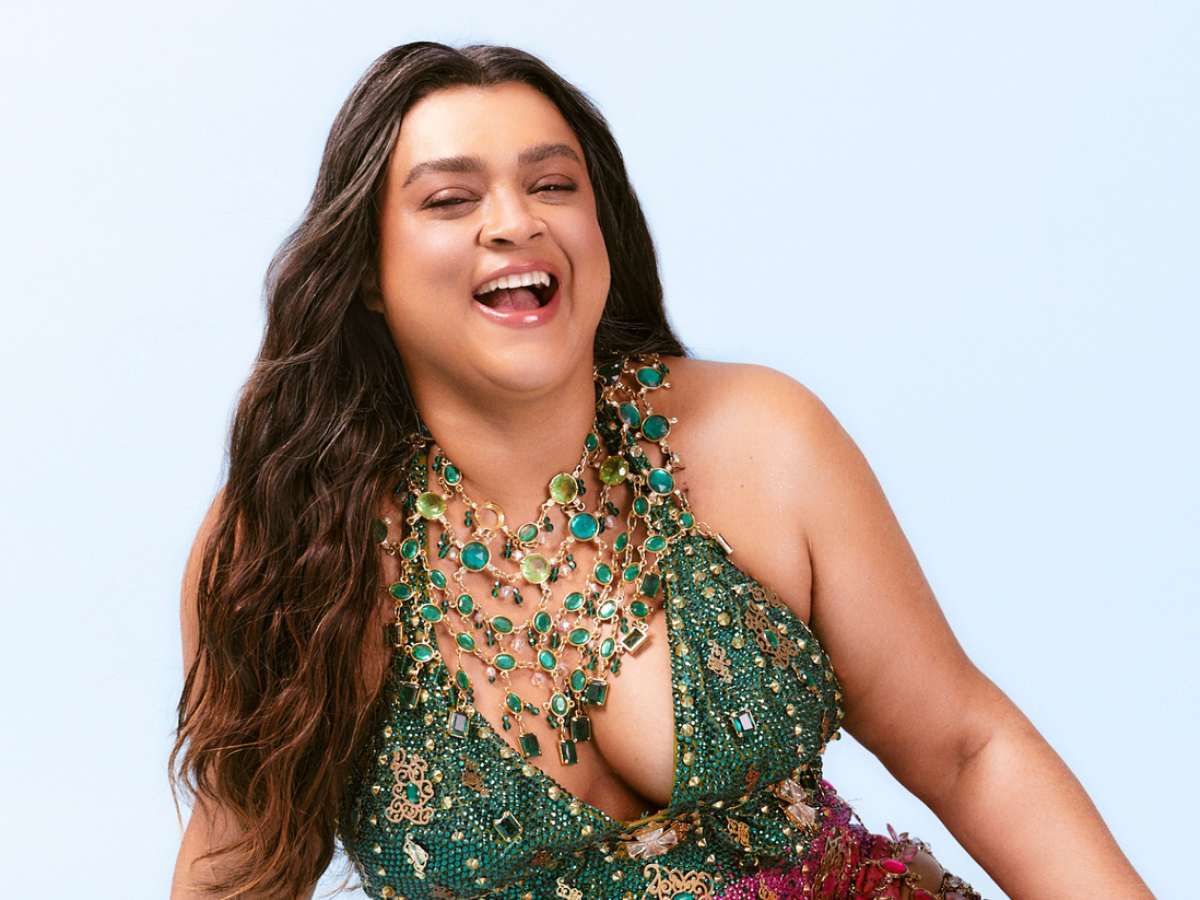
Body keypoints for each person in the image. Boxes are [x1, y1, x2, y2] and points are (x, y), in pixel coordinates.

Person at [170, 43, 1154, 900]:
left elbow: (968, 750)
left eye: (553, 185)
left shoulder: (758, 437)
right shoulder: (290, 533)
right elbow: (239, 868)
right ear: (366, 275)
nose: (514, 221)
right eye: (450, 198)